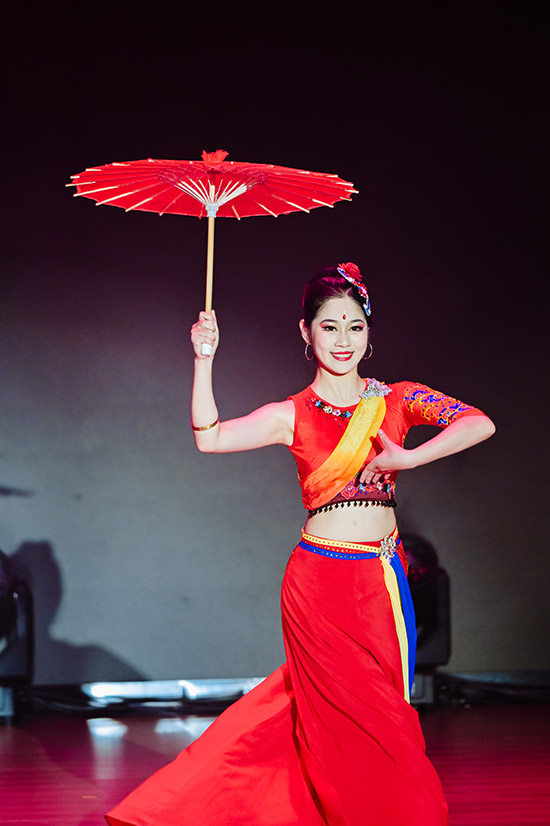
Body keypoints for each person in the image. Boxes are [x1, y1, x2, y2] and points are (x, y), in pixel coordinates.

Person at [106, 262, 495, 826]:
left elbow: (478, 422)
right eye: (329, 326)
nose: (343, 339)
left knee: (385, 715)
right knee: (338, 717)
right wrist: (204, 360)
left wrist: (411, 458)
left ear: (369, 332)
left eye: (355, 326)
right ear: (306, 333)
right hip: (320, 585)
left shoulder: (397, 399)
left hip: (382, 582)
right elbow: (210, 439)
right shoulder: (291, 414)